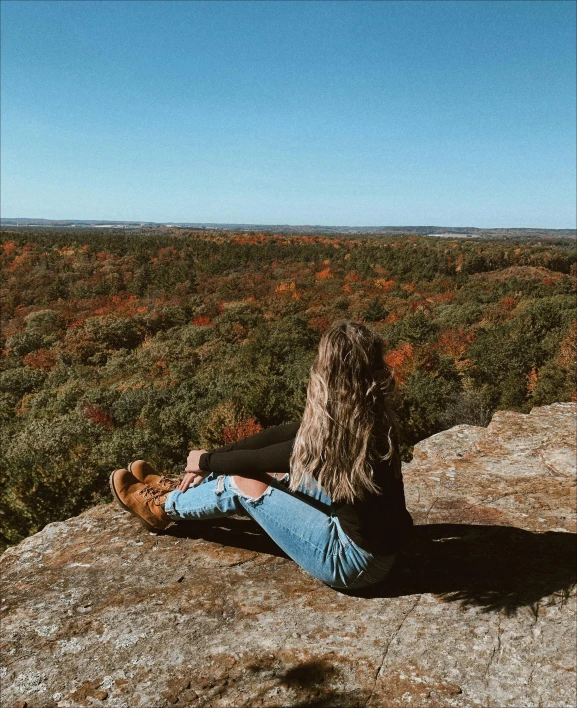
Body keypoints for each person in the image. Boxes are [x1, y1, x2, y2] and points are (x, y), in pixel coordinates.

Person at [110, 320, 414, 590]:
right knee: (269, 473)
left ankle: (165, 507)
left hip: (354, 562)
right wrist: (211, 456)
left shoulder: (338, 439)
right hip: (374, 541)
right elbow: (278, 435)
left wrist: (205, 461)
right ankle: (183, 487)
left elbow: (259, 461)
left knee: (244, 482)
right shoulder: (366, 416)